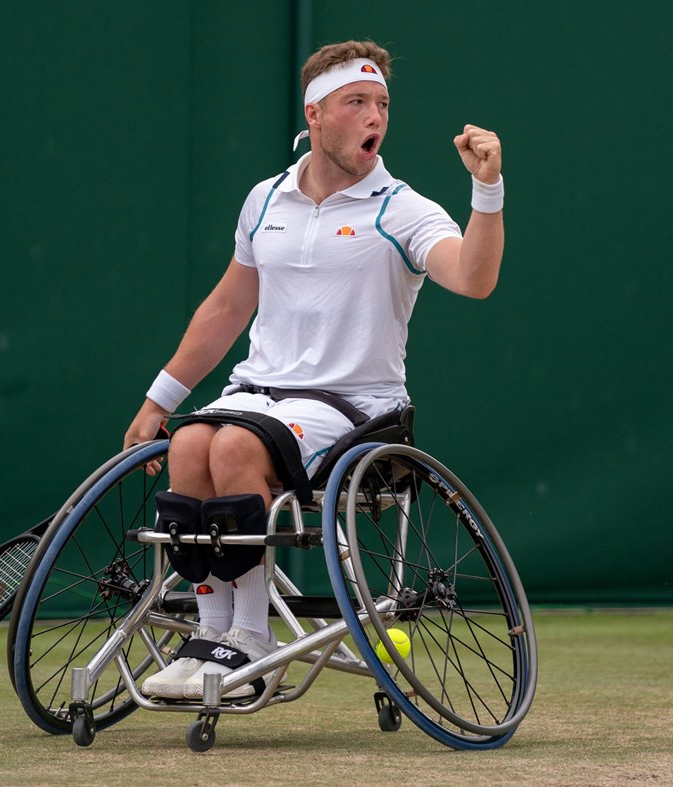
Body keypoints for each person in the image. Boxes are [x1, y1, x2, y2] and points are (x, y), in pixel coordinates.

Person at [123, 39, 505, 700]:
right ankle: (213, 633)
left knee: (235, 445)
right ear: (316, 114)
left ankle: (252, 643)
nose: (373, 116)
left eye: (381, 103)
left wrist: (487, 187)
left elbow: (474, 278)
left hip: (355, 407)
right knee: (188, 441)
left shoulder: (402, 209)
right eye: (356, 102)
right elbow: (225, 308)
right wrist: (161, 396)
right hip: (258, 392)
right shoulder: (265, 200)